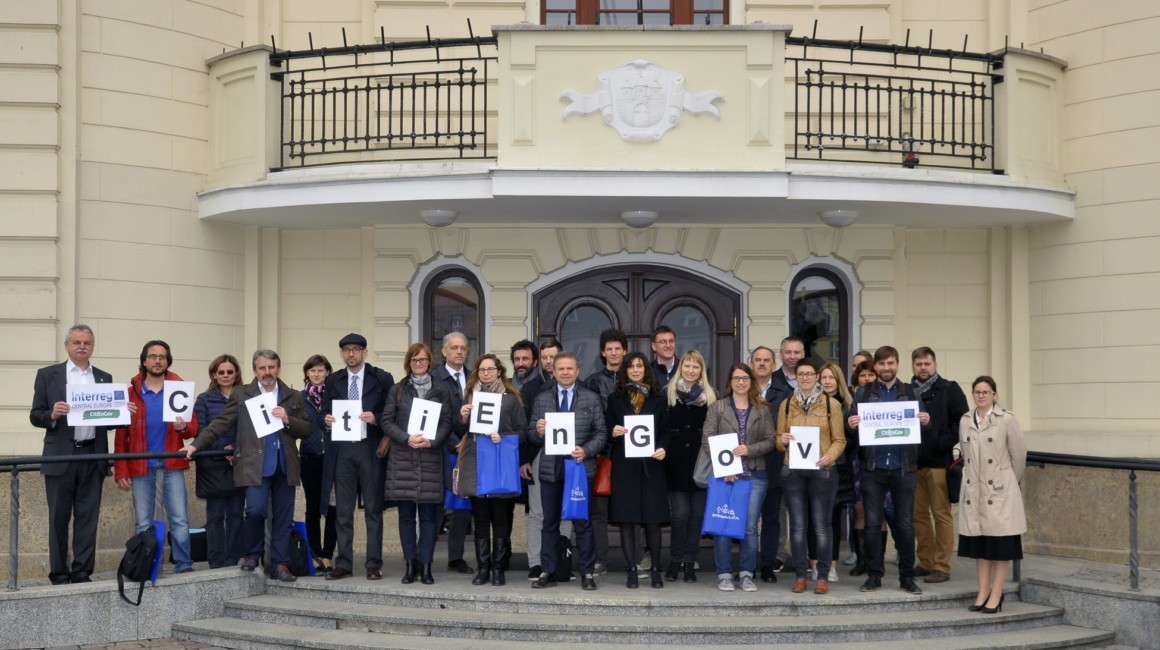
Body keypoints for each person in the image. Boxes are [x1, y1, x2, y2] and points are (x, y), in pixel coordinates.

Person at [181, 349, 312, 582]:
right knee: (254, 511)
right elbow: (221, 423)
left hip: (285, 465)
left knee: (283, 517)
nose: (267, 372)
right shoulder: (243, 394)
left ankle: (281, 564)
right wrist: (195, 445)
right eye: (262, 368)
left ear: (278, 368)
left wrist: (287, 419)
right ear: (255, 370)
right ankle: (252, 554)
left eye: (271, 367)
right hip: (255, 465)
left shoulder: (293, 396)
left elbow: (307, 429)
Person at [29, 325, 113, 584]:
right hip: (60, 457)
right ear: (67, 345)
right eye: (76, 342)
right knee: (58, 518)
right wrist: (51, 415)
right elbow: (35, 415)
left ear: (93, 346)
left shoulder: (103, 378)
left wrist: (122, 411)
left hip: (92, 456)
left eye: (87, 342)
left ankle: (81, 571)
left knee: (88, 519)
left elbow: (108, 420)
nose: (82, 347)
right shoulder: (48, 375)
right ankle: (59, 572)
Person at [846, 346, 927, 595]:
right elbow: (851, 427)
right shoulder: (863, 393)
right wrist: (851, 424)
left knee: (904, 525)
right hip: (873, 467)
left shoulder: (911, 392)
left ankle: (906, 576)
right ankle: (874, 575)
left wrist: (925, 421)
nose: (886, 368)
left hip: (903, 468)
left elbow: (921, 428)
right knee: (872, 524)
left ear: (897, 364)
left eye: (890, 363)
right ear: (876, 367)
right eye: (881, 364)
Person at [114, 340, 200, 574]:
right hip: (141, 466)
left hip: (172, 463)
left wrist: (183, 428)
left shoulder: (179, 388)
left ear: (167, 361)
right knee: (143, 521)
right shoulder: (130, 392)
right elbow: (121, 437)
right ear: (144, 360)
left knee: (180, 518)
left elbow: (193, 429)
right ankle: (148, 565)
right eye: (152, 356)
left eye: (162, 356)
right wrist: (120, 469)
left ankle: (183, 563)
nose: (157, 360)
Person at [526, 352, 608, 591]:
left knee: (582, 522)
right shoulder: (542, 399)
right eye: (560, 369)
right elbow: (530, 434)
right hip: (551, 469)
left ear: (577, 371)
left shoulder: (591, 399)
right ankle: (548, 571)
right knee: (549, 523)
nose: (564, 372)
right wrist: (538, 431)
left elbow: (601, 434)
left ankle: (587, 572)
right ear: (553, 371)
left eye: (569, 369)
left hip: (579, 470)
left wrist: (586, 450)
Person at [320, 333, 395, 581]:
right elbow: (324, 412)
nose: (351, 354)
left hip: (370, 447)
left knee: (373, 508)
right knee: (343, 509)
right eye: (346, 350)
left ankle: (373, 563)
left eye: (355, 349)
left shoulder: (381, 378)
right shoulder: (333, 380)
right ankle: (344, 563)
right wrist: (327, 421)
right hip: (343, 450)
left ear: (364, 352)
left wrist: (376, 418)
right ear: (341, 354)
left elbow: (390, 412)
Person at [381, 343, 453, 585]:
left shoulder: (441, 390)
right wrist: (406, 438)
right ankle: (410, 565)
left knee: (430, 517)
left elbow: (447, 422)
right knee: (406, 517)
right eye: (414, 360)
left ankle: (427, 565)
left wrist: (432, 442)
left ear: (429, 362)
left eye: (422, 360)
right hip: (403, 458)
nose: (419, 364)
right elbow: (387, 421)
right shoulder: (398, 389)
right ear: (408, 363)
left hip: (430, 458)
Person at [454, 354, 527, 586]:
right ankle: (483, 568)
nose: (486, 373)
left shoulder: (511, 398)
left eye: (490, 369)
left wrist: (502, 437)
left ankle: (498, 568)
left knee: (501, 518)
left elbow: (524, 432)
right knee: (481, 518)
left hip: (500, 464)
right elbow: (459, 431)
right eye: (482, 370)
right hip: (476, 464)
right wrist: (463, 417)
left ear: (499, 371)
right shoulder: (471, 396)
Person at [775, 357, 845, 594]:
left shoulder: (830, 405)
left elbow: (840, 440)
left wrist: (830, 456)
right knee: (797, 526)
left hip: (822, 470)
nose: (805, 378)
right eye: (801, 374)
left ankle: (822, 575)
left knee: (822, 526)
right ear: (796, 377)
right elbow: (778, 439)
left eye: (809, 374)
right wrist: (781, 441)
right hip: (792, 470)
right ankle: (800, 575)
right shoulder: (786, 404)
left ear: (817, 377)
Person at [703, 363, 775, 592]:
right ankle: (724, 573)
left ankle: (746, 573)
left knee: (750, 527)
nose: (741, 382)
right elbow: (707, 439)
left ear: (751, 381)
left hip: (755, 475)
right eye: (736, 378)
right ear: (730, 382)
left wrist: (749, 450)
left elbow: (772, 440)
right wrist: (725, 468)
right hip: (726, 477)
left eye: (745, 378)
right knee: (723, 525)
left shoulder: (762, 409)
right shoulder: (718, 407)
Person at [959, 376, 1026, 614]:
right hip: (975, 492)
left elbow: (1018, 456)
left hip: (1000, 492)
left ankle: (996, 595)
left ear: (994, 395)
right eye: (977, 392)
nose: (981, 396)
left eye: (986, 392)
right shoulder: (966, 420)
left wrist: (1006, 482)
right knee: (981, 547)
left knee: (1000, 546)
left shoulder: (1007, 420)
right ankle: (982, 591)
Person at [606, 352, 670, 589]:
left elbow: (666, 430)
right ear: (625, 371)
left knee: (653, 521)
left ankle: (655, 569)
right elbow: (606, 429)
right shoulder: (615, 399)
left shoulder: (658, 398)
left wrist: (663, 447)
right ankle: (631, 569)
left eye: (639, 366)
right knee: (627, 521)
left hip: (652, 466)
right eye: (631, 366)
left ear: (646, 370)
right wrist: (613, 433)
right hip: (625, 467)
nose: (635, 370)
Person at [911, 347, 969, 584]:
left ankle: (941, 565)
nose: (923, 368)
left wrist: (942, 442)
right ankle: (925, 562)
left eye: (927, 363)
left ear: (935, 364)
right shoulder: (906, 391)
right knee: (918, 516)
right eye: (919, 364)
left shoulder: (949, 388)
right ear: (913, 366)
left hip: (938, 463)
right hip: (913, 463)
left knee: (941, 515)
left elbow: (962, 420)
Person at [662, 349, 715, 583]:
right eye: (687, 366)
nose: (691, 370)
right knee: (680, 514)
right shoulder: (668, 395)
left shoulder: (712, 398)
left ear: (701, 370)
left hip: (701, 465)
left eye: (696, 367)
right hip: (675, 465)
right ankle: (675, 560)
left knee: (696, 515)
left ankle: (690, 561)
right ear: (680, 368)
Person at [520, 338, 568, 581]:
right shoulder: (530, 389)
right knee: (538, 512)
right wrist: (524, 460)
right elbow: (525, 429)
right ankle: (536, 563)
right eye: (546, 357)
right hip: (539, 455)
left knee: (566, 511)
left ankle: (563, 560)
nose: (550, 361)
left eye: (554, 357)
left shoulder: (578, 387)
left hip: (569, 457)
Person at [194, 354, 247, 568]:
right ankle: (215, 560)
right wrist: (222, 449)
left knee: (236, 514)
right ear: (214, 375)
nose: (225, 376)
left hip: (238, 463)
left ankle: (233, 557)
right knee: (215, 516)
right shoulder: (204, 399)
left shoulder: (247, 397)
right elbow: (202, 431)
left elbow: (249, 430)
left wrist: (235, 448)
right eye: (221, 372)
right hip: (212, 464)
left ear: (236, 374)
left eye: (230, 372)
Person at [583, 328, 626, 576]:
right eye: (609, 349)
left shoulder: (635, 379)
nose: (613, 353)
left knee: (631, 507)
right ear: (603, 352)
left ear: (624, 351)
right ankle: (601, 559)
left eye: (617, 348)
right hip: (602, 454)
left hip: (629, 454)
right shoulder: (592, 381)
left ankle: (636, 558)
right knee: (598, 510)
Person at [432, 331, 474, 575]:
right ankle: (423, 556)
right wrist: (454, 441)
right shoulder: (434, 378)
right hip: (443, 449)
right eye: (454, 348)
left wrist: (466, 442)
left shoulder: (474, 378)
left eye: (463, 348)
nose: (459, 352)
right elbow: (434, 416)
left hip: (467, 451)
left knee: (461, 507)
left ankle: (455, 557)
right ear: (444, 351)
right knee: (437, 505)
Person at [813, 361, 854, 582]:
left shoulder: (849, 405)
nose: (827, 382)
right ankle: (815, 562)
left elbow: (854, 441)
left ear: (839, 381)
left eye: (832, 378)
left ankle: (831, 565)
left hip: (839, 468)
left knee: (832, 520)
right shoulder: (811, 402)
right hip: (814, 466)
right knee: (814, 519)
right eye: (824, 378)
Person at [298, 354, 336, 574]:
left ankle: (328, 554)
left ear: (327, 373)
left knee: (333, 507)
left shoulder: (334, 396)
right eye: (312, 371)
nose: (316, 374)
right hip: (309, 457)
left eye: (320, 370)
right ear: (307, 373)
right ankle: (315, 554)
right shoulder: (300, 398)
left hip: (332, 457)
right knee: (312, 507)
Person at [847, 359, 878, 575]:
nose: (867, 379)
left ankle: (877, 561)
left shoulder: (887, 398)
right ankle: (862, 561)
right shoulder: (855, 399)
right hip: (858, 460)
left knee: (879, 513)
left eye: (871, 375)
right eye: (863, 375)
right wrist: (851, 425)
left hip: (881, 461)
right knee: (860, 511)